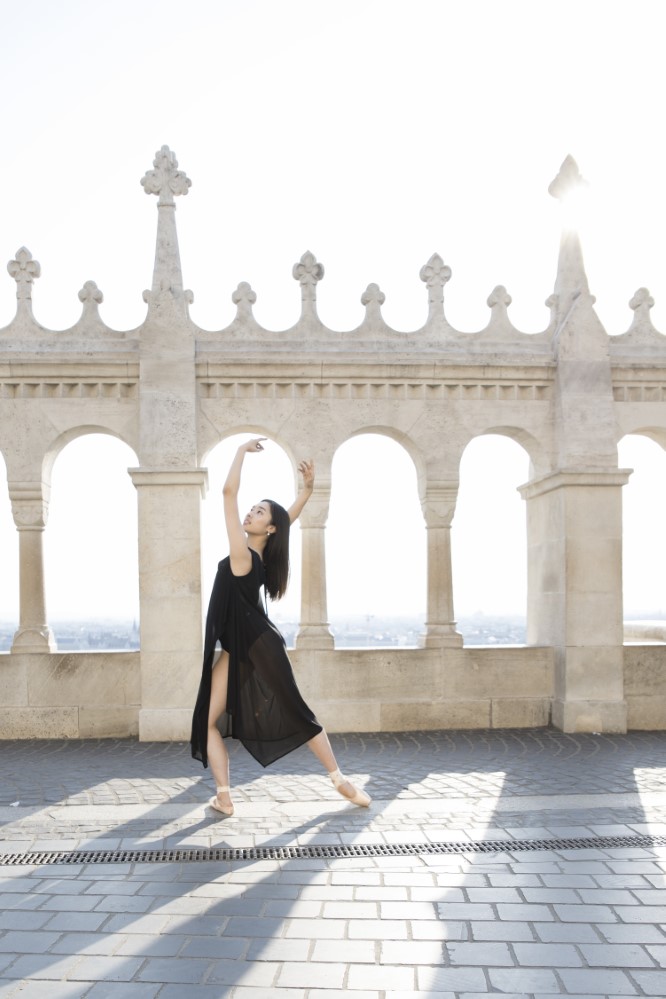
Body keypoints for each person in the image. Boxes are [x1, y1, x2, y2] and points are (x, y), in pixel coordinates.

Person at [190, 437, 371, 816]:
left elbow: (227, 492)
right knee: (206, 721)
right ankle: (224, 797)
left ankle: (340, 779)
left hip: (256, 645)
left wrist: (239, 452)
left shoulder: (243, 556)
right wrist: (305, 493)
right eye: (252, 509)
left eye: (258, 512)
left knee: (297, 712)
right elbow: (286, 522)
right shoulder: (258, 556)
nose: (249, 513)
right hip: (238, 647)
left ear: (268, 529)